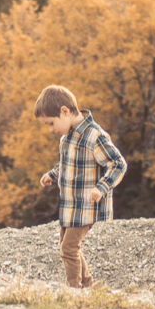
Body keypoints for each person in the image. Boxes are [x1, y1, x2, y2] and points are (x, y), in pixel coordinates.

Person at [35, 85, 129, 289]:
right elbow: (67, 164)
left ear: (65, 111)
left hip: (86, 206)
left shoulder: (94, 136)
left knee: (68, 248)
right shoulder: (66, 138)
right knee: (68, 247)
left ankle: (74, 290)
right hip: (70, 206)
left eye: (51, 123)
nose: (50, 129)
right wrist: (52, 174)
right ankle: (87, 286)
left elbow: (118, 164)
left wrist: (101, 188)